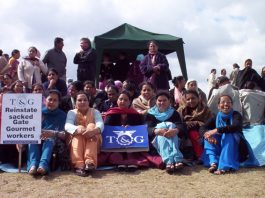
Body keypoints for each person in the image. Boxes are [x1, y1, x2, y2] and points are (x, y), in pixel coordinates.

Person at [102, 91, 152, 171]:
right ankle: (120, 162)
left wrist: (131, 128)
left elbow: (140, 129)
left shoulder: (134, 114)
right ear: (117, 100)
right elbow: (106, 127)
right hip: (115, 141)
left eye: (125, 100)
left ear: (129, 102)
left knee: (131, 148)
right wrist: (118, 128)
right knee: (115, 153)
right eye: (121, 99)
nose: (122, 102)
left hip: (132, 142)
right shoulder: (111, 113)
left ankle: (132, 162)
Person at [201, 95, 248, 175]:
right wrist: (208, 135)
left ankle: (226, 166)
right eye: (223, 102)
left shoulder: (236, 115)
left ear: (232, 105)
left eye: (228, 102)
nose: (226, 104)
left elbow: (235, 127)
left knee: (228, 135)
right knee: (208, 135)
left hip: (236, 148)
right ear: (218, 106)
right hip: (221, 146)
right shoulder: (215, 117)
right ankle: (214, 163)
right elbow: (203, 127)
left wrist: (216, 130)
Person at [27, 90, 66, 176]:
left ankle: (43, 166)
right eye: (50, 99)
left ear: (59, 102)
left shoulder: (63, 115)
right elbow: (29, 129)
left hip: (54, 141)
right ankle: (33, 165)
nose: (52, 102)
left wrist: (52, 133)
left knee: (49, 140)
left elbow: (64, 134)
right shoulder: (37, 112)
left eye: (55, 100)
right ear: (45, 100)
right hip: (38, 137)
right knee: (32, 140)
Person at [65, 92, 103, 177]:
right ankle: (79, 165)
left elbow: (100, 124)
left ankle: (89, 162)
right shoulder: (71, 112)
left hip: (93, 139)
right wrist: (80, 129)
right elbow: (67, 126)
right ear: (75, 103)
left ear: (88, 102)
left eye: (85, 100)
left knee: (91, 125)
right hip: (76, 140)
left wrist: (92, 131)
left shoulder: (95, 112)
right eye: (79, 100)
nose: (82, 102)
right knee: (78, 129)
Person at [146, 91, 185, 174]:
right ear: (156, 102)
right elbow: (147, 128)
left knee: (171, 126)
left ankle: (171, 161)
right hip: (157, 140)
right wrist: (156, 130)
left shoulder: (174, 113)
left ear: (169, 101)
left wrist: (175, 130)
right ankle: (172, 160)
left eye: (164, 100)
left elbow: (180, 126)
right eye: (159, 100)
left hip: (173, 137)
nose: (162, 102)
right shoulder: (150, 114)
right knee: (162, 132)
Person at [178, 90, 212, 161]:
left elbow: (209, 123)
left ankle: (200, 156)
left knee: (194, 133)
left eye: (193, 98)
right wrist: (187, 124)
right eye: (188, 99)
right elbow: (178, 123)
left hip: (202, 132)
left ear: (198, 98)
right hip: (185, 132)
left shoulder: (205, 110)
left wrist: (197, 123)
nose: (191, 101)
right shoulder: (181, 110)